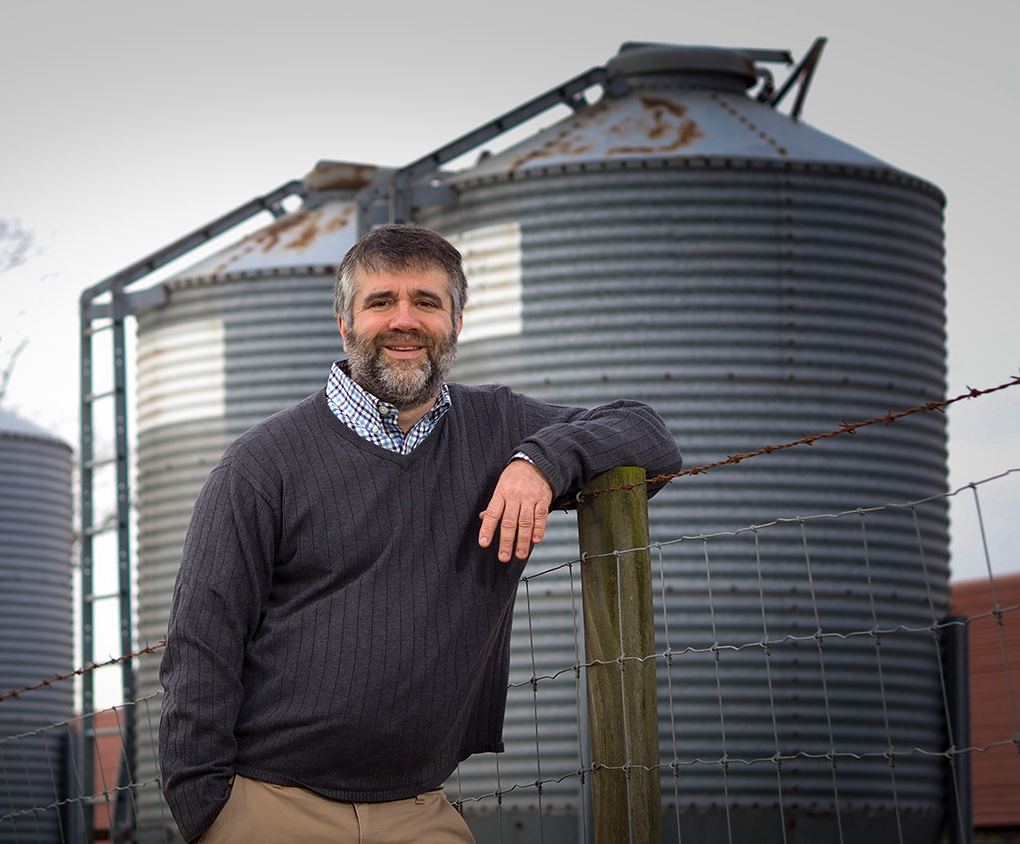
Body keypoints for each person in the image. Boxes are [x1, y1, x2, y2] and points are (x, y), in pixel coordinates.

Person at [158, 223, 681, 843]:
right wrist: (207, 812)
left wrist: (540, 461)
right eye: (380, 302)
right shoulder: (261, 464)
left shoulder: (499, 428)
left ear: (456, 323)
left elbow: (648, 434)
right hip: (271, 806)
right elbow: (201, 641)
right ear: (345, 324)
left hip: (420, 809)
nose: (403, 321)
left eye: (426, 303)